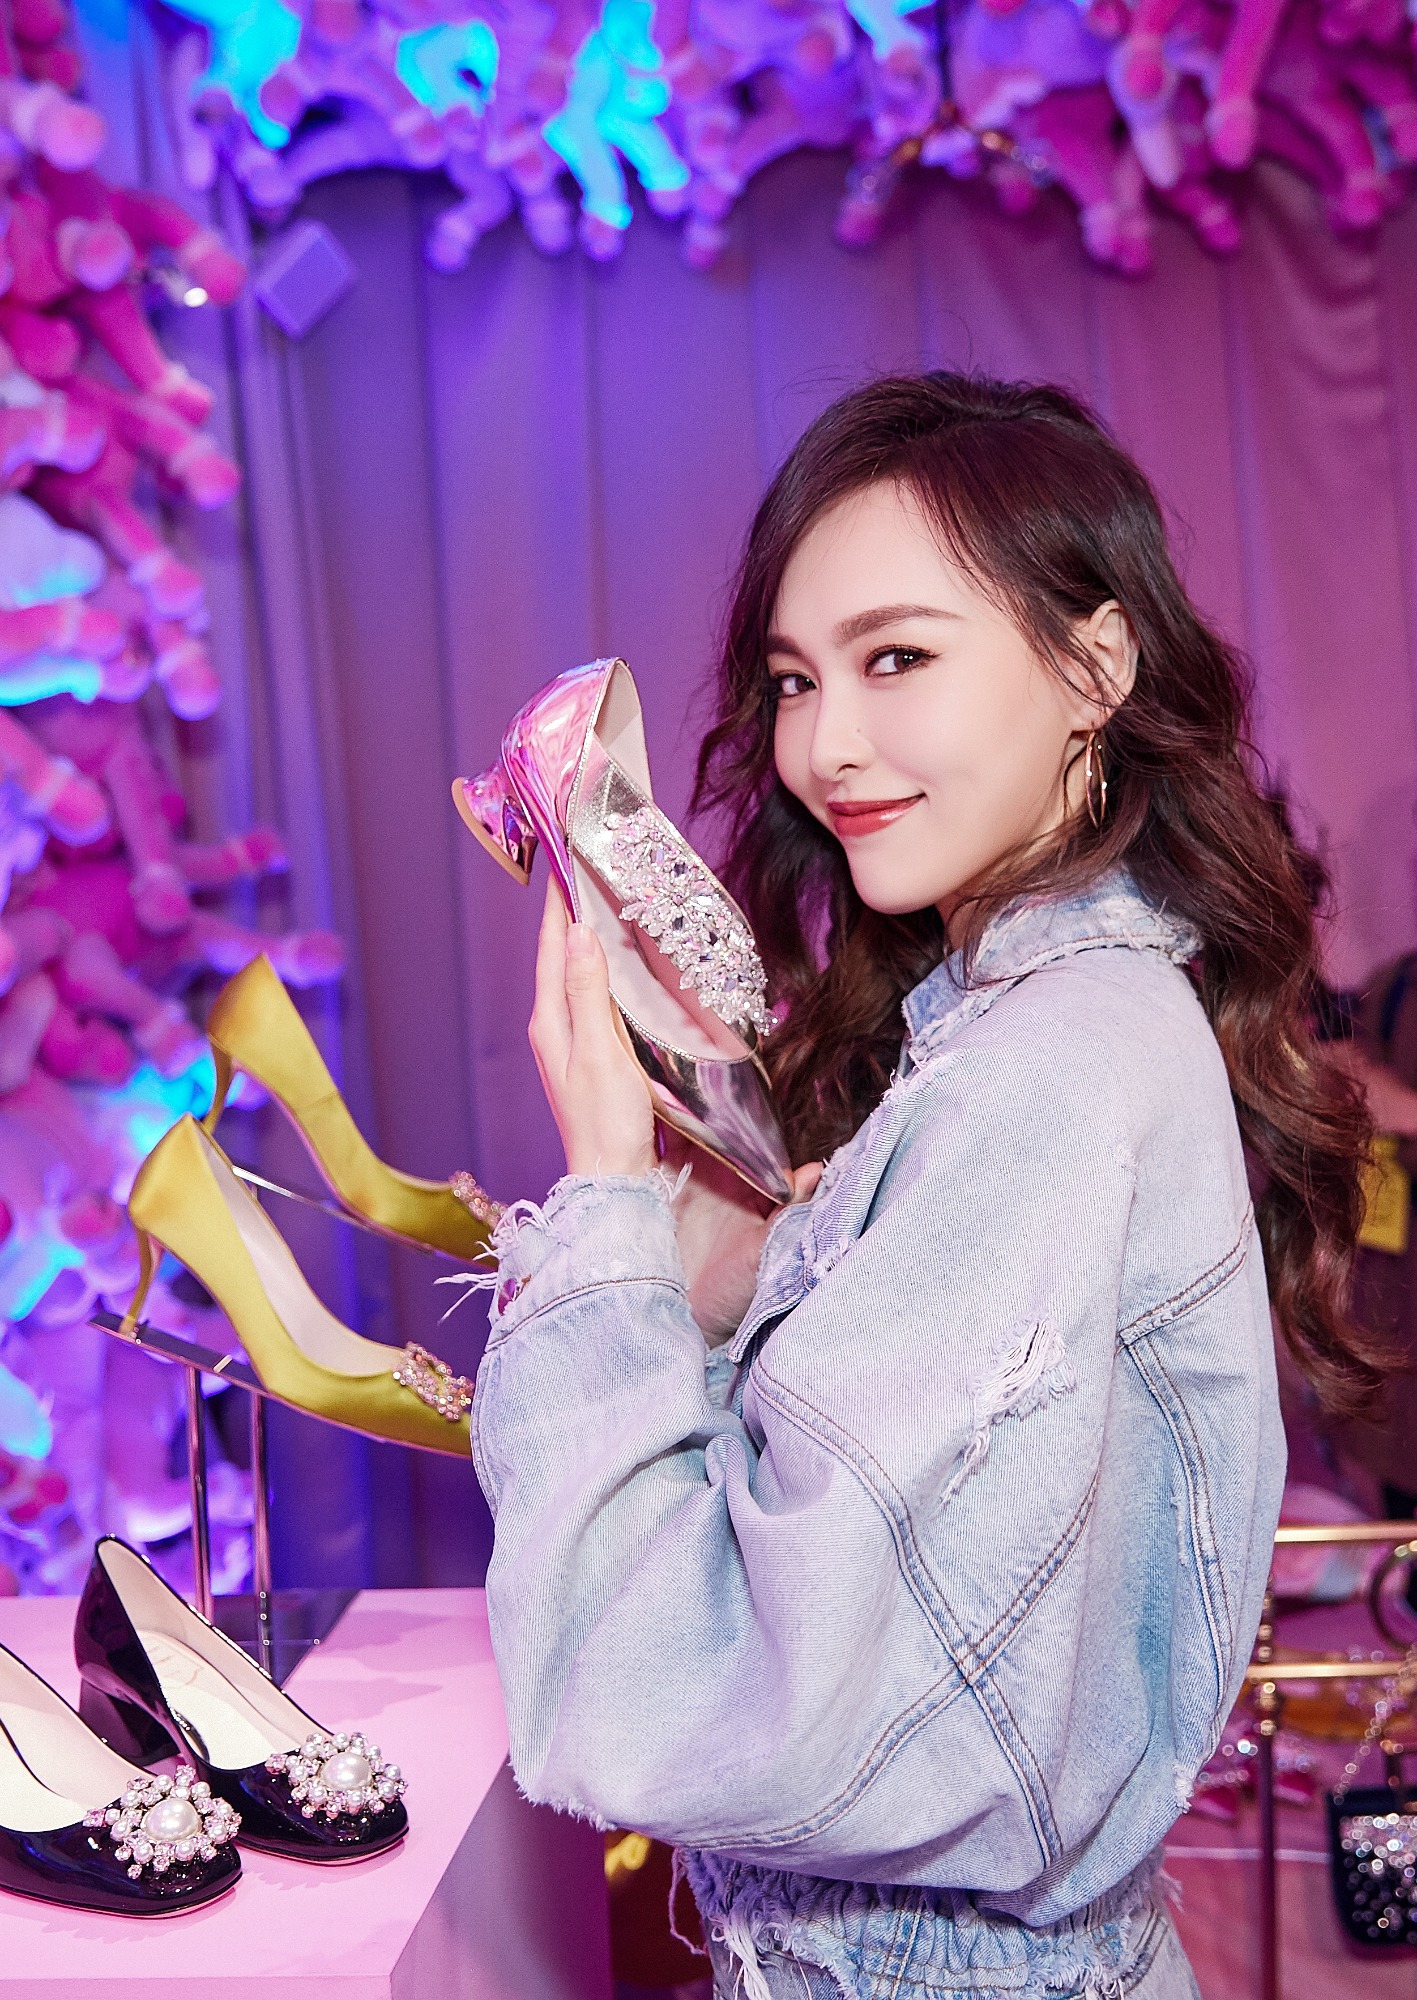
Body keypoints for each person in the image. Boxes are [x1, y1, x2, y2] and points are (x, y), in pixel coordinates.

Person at [467, 374, 1382, 1999]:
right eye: (792, 679)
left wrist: (604, 1206)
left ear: (1095, 666)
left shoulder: (1045, 1074)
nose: (826, 745)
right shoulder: (1048, 1031)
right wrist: (748, 1255)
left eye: (897, 658)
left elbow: (682, 1693)